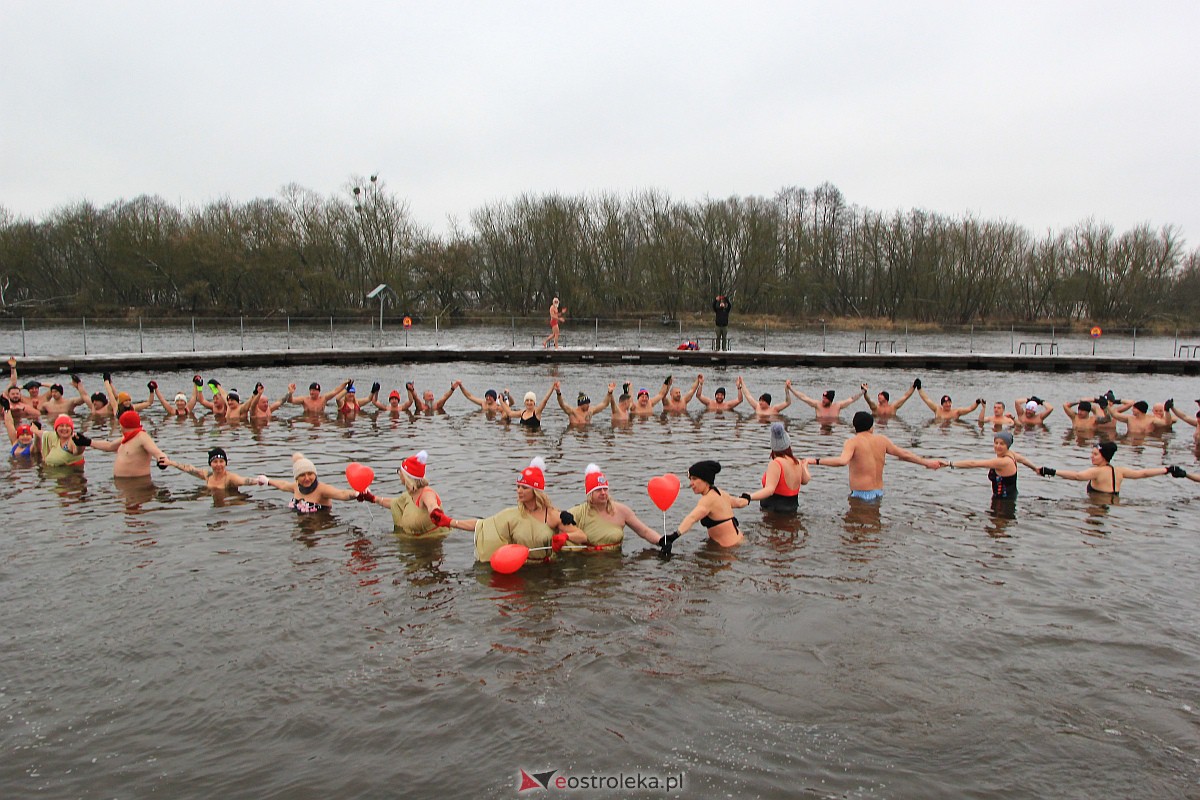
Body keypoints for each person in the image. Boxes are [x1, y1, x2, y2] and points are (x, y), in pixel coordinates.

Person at [439, 457, 578, 563]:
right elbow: (481, 525)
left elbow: (582, 536)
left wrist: (565, 536)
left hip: (548, 569)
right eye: (518, 487)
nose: (519, 491)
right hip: (522, 568)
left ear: (536, 491)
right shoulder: (512, 515)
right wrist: (449, 522)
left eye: (524, 488)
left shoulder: (553, 515)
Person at [809, 411, 945, 501]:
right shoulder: (882, 440)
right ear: (871, 427)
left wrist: (816, 461)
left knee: (855, 534)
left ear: (854, 427)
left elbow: (842, 461)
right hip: (878, 493)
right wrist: (926, 463)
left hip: (860, 495)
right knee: (874, 526)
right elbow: (904, 454)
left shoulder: (852, 442)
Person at [565, 464, 664, 551]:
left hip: (616, 560)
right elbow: (555, 520)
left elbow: (645, 532)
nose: (603, 493)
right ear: (590, 494)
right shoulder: (579, 512)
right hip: (590, 561)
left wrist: (661, 542)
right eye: (598, 490)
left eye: (605, 489)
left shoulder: (622, 511)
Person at [659, 460, 750, 553]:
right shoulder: (720, 493)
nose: (691, 483)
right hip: (740, 541)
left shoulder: (708, 500)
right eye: (690, 479)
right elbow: (739, 503)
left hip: (728, 550)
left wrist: (673, 536)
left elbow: (692, 518)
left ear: (705, 480)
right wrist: (747, 499)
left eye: (694, 478)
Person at [362, 450, 451, 537]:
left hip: (432, 543)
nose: (399, 474)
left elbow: (431, 504)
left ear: (406, 477)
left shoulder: (427, 493)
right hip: (413, 543)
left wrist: (435, 512)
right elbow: (395, 503)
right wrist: (372, 498)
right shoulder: (409, 494)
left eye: (400, 471)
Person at [1036, 441, 1170, 496]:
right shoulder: (1120, 470)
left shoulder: (1097, 472)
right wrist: (1167, 470)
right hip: (1114, 500)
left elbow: (1077, 476)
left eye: (1095, 454)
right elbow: (1143, 473)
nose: (1091, 457)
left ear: (1104, 456)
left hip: (1098, 504)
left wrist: (1051, 472)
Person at [947, 431, 1039, 499]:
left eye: (1002, 444)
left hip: (1002, 502)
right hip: (1011, 496)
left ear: (1007, 445)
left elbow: (973, 464)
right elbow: (1023, 460)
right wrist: (1035, 469)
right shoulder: (1011, 454)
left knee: (997, 523)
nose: (998, 446)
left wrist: (949, 464)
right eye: (996, 443)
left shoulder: (1003, 462)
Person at [743, 422, 810, 512]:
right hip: (792, 508)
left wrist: (749, 497)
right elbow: (805, 481)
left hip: (774, 510)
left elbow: (770, 490)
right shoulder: (797, 461)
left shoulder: (776, 463)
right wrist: (805, 466)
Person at [262, 453, 361, 513]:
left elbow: (342, 494)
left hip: (320, 528)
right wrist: (267, 481)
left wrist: (356, 494)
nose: (307, 478)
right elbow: (283, 485)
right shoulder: (296, 487)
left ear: (315, 474)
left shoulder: (322, 490)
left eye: (310, 474)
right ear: (296, 478)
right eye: (302, 475)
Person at [85, 410, 169, 477]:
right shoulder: (126, 438)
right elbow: (109, 446)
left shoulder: (142, 437)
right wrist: (88, 442)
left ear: (126, 425)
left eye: (120, 424)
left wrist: (161, 459)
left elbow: (157, 452)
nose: (120, 427)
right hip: (122, 485)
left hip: (139, 485)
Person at [164, 447, 266, 491]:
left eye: (221, 461)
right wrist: (170, 463)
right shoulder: (207, 475)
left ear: (225, 463)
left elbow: (244, 481)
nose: (218, 465)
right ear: (210, 464)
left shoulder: (230, 478)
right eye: (215, 462)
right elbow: (189, 469)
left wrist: (258, 481)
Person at [788, 384, 865, 422]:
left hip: (833, 426)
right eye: (823, 398)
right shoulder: (817, 405)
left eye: (825, 399)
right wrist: (791, 388)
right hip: (819, 425)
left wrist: (863, 391)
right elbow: (803, 397)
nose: (823, 400)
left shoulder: (837, 406)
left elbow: (852, 399)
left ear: (830, 400)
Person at [916, 382, 981, 421]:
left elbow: (970, 409)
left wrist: (977, 402)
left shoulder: (956, 412)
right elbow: (926, 399)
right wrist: (919, 388)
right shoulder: (937, 409)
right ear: (942, 404)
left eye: (949, 402)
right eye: (946, 403)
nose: (948, 404)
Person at [284, 379, 351, 414]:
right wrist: (290, 392)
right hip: (308, 419)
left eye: (314, 390)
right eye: (311, 390)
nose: (311, 392)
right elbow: (290, 401)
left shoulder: (324, 398)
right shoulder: (304, 399)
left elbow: (335, 391)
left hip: (321, 418)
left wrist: (345, 383)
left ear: (318, 392)